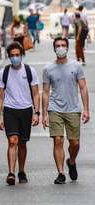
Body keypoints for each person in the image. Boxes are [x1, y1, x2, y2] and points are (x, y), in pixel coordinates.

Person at [42, 37, 90, 184]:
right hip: (55, 108)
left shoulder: (76, 66)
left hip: (73, 109)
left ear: (67, 47)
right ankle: (61, 173)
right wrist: (44, 114)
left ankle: (72, 161)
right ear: (54, 48)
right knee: (58, 140)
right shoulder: (48, 69)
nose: (60, 47)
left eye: (63, 45)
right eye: (58, 45)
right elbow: (45, 92)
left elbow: (82, 87)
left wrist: (86, 109)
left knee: (74, 143)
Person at [0, 42, 40, 185]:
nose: (15, 58)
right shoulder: (4, 72)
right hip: (10, 110)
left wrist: (36, 112)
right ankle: (11, 173)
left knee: (22, 143)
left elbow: (36, 93)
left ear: (21, 55)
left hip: (26, 110)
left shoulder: (29, 71)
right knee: (12, 141)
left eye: (17, 55)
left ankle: (21, 171)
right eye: (12, 55)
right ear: (9, 56)